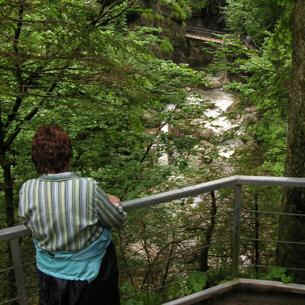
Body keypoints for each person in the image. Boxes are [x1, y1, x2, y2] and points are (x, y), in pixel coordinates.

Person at [18, 125, 126, 305]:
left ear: (36, 158)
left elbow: (29, 223)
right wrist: (114, 202)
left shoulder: (28, 189)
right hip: (91, 278)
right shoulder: (87, 187)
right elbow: (117, 220)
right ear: (68, 154)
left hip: (49, 277)